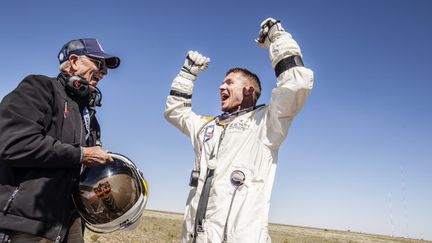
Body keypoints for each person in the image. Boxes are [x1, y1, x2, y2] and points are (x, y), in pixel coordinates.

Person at [164, 18, 314, 242]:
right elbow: (175, 112)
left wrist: (277, 38)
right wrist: (187, 74)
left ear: (248, 90)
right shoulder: (208, 128)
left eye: (229, 82)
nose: (220, 86)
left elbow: (297, 84)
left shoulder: (267, 123)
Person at [0, 38, 119, 242]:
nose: (104, 71)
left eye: (106, 67)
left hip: (68, 223)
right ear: (74, 61)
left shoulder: (90, 117)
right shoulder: (39, 88)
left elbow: (81, 170)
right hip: (25, 223)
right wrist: (81, 154)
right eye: (98, 63)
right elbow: (13, 143)